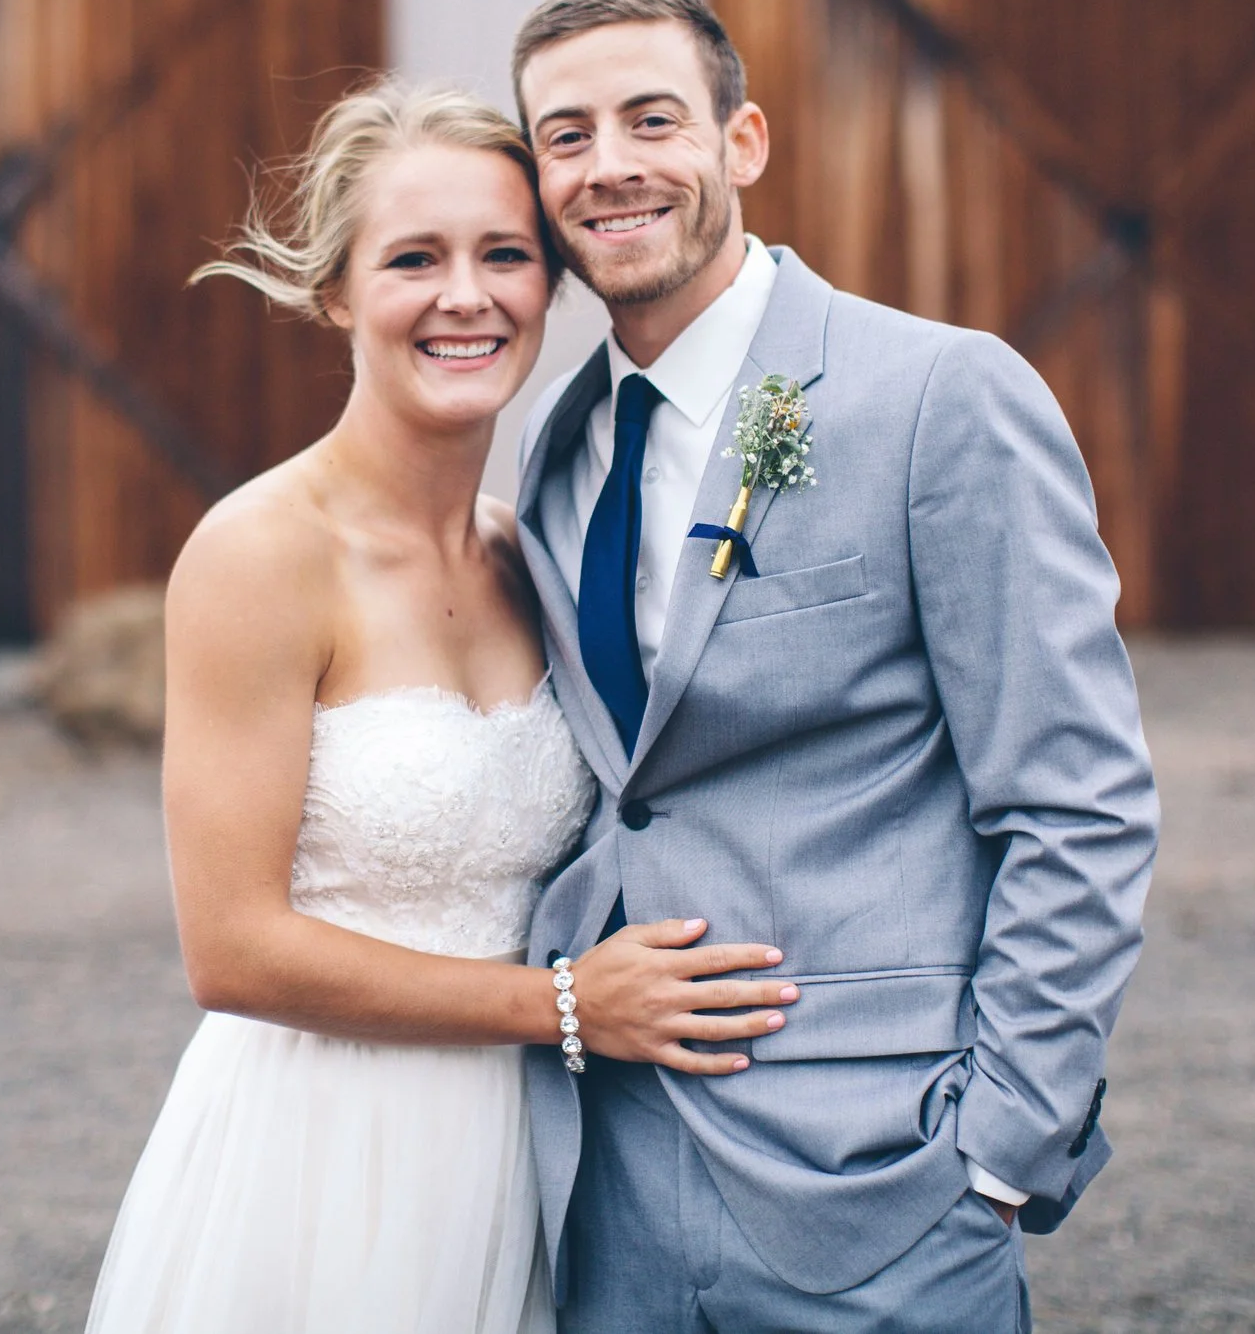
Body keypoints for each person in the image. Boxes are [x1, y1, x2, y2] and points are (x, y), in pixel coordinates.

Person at [82, 81, 800, 1334]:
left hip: (531, 1150)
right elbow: (231, 948)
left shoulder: (531, 553)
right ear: (338, 293)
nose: (465, 294)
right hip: (325, 1154)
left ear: (549, 286)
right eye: (414, 257)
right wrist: (570, 1005)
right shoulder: (259, 552)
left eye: (504, 255)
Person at [507, 0, 1161, 1332]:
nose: (610, 163)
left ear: (742, 141)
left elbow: (1077, 795)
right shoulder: (557, 446)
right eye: (565, 135)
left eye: (651, 118)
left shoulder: (938, 394)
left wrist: (993, 1149)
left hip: (883, 1168)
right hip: (606, 1174)